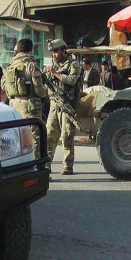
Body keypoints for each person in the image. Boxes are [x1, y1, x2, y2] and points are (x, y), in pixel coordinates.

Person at [2, 38, 47, 158]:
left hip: (14, 105)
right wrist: (45, 93)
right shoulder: (31, 65)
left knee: (18, 137)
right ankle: (37, 167)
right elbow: (39, 89)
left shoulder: (10, 65)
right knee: (34, 138)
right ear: (31, 49)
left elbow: (3, 85)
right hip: (30, 106)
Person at [44, 39, 81, 175]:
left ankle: (67, 166)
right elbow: (44, 84)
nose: (54, 54)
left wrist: (55, 73)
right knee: (50, 136)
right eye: (53, 52)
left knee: (67, 137)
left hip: (67, 104)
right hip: (54, 104)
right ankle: (47, 164)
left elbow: (72, 80)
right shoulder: (52, 65)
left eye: (56, 51)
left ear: (63, 50)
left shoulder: (73, 64)